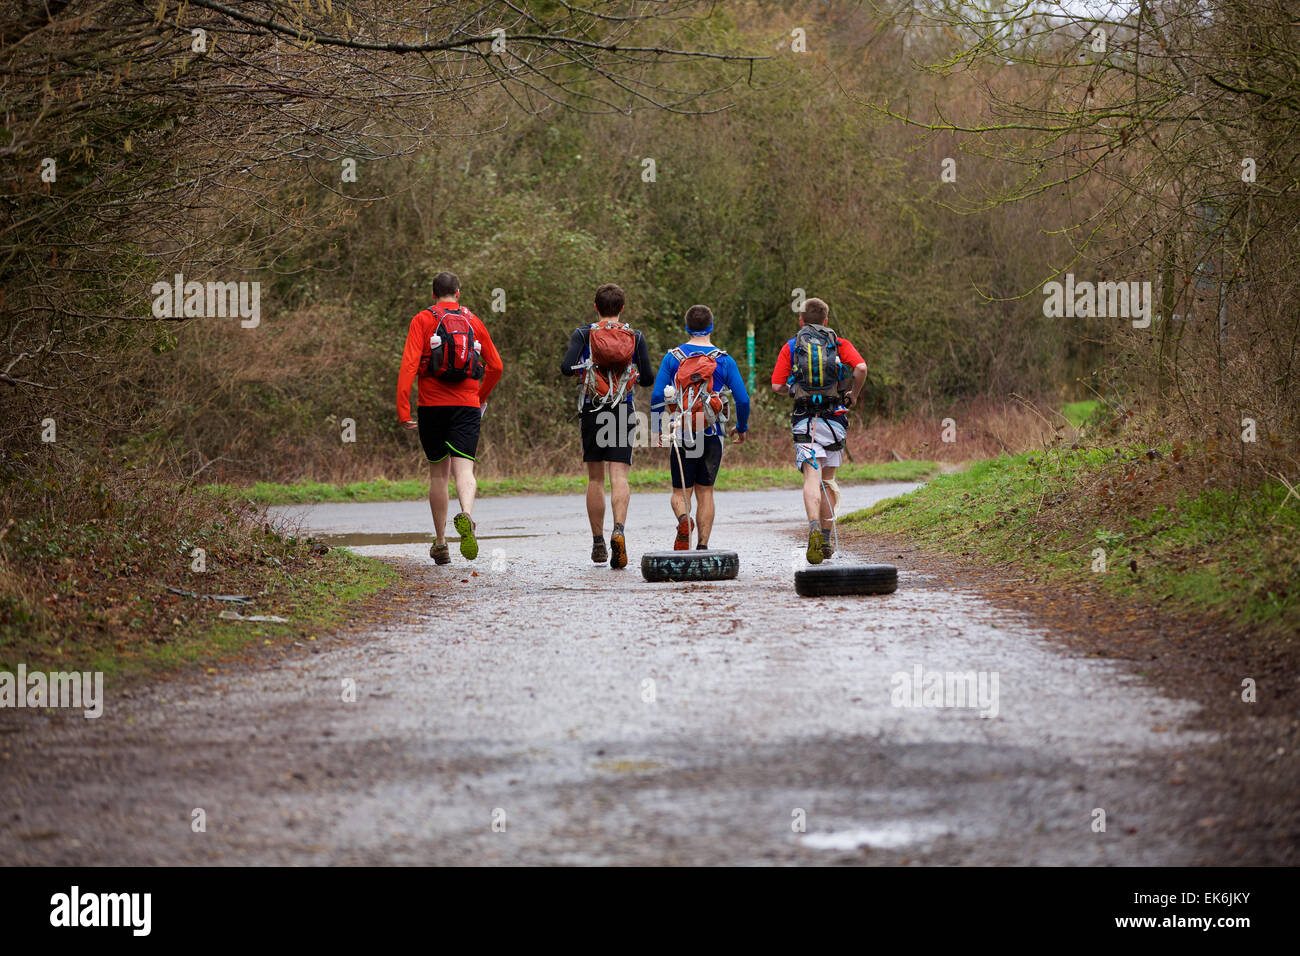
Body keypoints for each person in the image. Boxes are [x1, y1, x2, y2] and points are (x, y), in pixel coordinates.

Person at [396, 271, 503, 565]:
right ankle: (466, 515)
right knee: (465, 471)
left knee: (438, 475)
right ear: (458, 293)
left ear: (433, 295)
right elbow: (496, 366)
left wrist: (403, 409)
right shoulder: (472, 320)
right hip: (467, 404)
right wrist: (480, 397)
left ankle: (441, 543)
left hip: (431, 406)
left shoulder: (422, 319)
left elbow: (408, 366)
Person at [560, 283, 654, 569]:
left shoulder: (583, 334)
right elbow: (648, 378)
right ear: (622, 308)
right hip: (622, 410)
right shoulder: (635, 336)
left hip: (592, 409)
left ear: (595, 306)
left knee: (595, 479)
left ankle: (598, 542)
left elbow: (566, 367)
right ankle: (619, 530)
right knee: (620, 478)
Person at [770, 297, 867, 564]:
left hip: (804, 421)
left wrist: (795, 390)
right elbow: (860, 368)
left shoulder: (791, 346)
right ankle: (825, 539)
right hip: (834, 421)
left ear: (801, 321)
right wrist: (853, 395)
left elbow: (776, 386)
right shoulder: (838, 343)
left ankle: (812, 526)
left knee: (811, 477)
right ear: (826, 321)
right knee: (827, 481)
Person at [651, 304, 750, 550]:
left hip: (683, 432)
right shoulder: (724, 360)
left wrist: (656, 428)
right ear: (711, 326)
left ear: (687, 327)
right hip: (712, 433)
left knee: (680, 492)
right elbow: (743, 399)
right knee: (706, 492)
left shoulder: (672, 358)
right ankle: (703, 546)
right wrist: (742, 426)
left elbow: (656, 397)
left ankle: (684, 520)